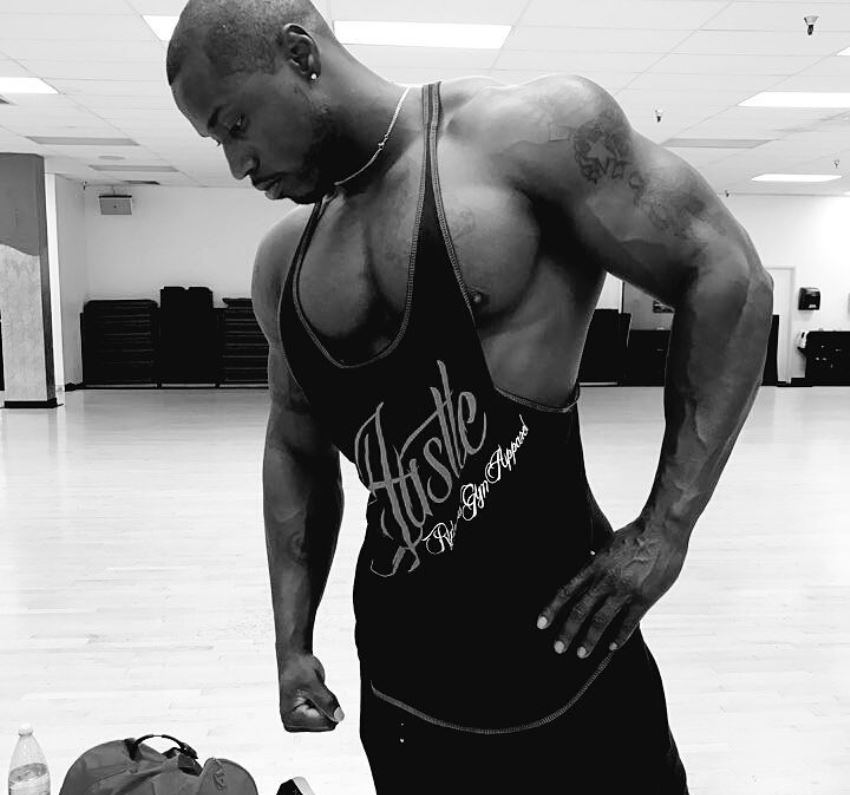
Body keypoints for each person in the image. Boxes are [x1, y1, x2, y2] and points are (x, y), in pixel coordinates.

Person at [167, 1, 774, 792]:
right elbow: (294, 444)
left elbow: (728, 276)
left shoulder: (527, 139)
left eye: (236, 122)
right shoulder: (283, 263)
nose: (237, 163)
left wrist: (666, 530)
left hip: (575, 660)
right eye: (218, 141)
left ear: (299, 54)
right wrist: (292, 641)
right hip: (405, 687)